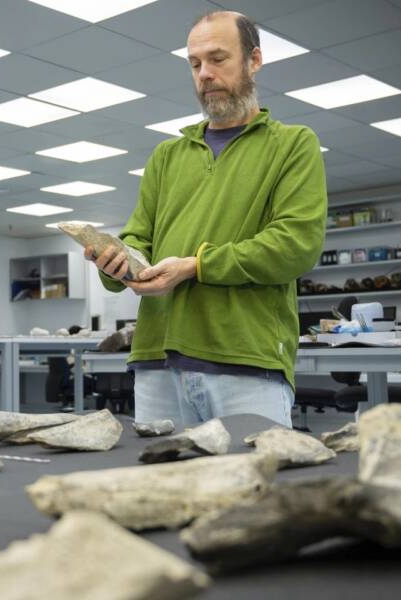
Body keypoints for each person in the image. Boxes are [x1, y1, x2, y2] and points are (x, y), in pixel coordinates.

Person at [85, 10, 326, 428]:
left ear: (254, 61)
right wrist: (117, 263)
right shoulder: (167, 157)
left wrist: (196, 266)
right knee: (161, 492)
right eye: (195, 64)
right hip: (156, 363)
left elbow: (295, 245)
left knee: (252, 490)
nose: (205, 74)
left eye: (218, 59)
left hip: (245, 364)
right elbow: (137, 237)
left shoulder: (293, 145)